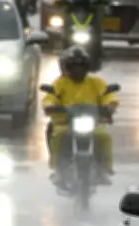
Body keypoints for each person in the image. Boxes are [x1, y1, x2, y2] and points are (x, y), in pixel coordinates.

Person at [43, 46, 118, 187]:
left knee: (104, 137)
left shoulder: (96, 82)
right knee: (58, 136)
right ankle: (59, 170)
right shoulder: (60, 83)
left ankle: (104, 169)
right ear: (67, 68)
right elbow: (50, 97)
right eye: (74, 67)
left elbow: (108, 95)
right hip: (65, 123)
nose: (78, 70)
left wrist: (110, 106)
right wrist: (50, 106)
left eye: (82, 67)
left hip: (93, 123)